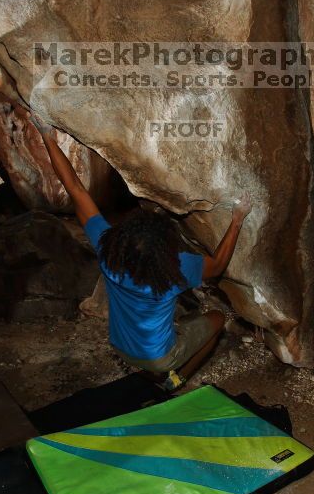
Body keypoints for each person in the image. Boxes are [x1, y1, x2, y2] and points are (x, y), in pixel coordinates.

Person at [32, 115, 252, 386]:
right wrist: (238, 219)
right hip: (157, 357)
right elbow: (217, 266)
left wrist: (47, 136)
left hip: (121, 345)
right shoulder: (175, 269)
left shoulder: (108, 249)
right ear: (164, 247)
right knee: (217, 319)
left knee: (179, 321)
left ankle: (159, 364)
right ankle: (176, 380)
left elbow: (75, 190)